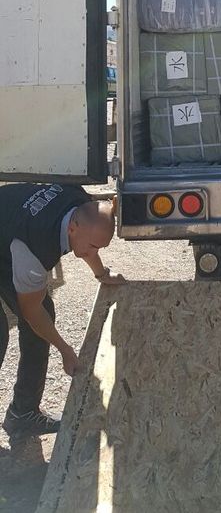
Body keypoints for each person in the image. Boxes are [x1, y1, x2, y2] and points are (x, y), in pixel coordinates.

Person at [0, 183, 126, 440]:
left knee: (43, 315)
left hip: (6, 236)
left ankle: (23, 414)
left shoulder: (78, 200)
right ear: (71, 228)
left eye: (100, 248)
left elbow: (88, 242)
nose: (93, 253)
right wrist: (65, 351)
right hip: (13, 238)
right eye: (93, 246)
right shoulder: (35, 245)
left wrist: (101, 273)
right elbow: (30, 311)